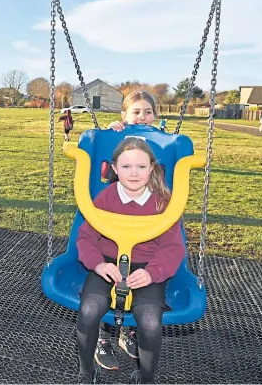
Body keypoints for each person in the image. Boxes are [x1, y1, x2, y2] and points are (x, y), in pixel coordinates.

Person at [75, 137, 185, 384]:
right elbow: (85, 238)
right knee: (89, 310)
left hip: (147, 268)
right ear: (114, 169)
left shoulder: (162, 203)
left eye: (141, 167)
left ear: (152, 168)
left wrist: (153, 272)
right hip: (108, 264)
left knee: (149, 321)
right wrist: (98, 264)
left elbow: (172, 248)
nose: (133, 173)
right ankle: (86, 372)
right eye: (126, 167)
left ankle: (145, 377)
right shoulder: (106, 199)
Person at [96, 89, 160, 370]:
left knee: (136, 280)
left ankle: (127, 332)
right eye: (136, 111)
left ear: (156, 116)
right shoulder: (116, 137)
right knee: (108, 281)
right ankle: (102, 337)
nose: (142, 116)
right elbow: (99, 162)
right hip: (114, 217)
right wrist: (111, 133)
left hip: (148, 218)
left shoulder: (161, 142)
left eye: (148, 111)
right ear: (123, 115)